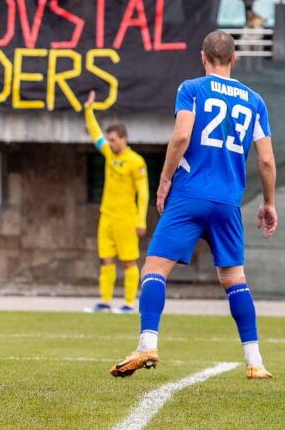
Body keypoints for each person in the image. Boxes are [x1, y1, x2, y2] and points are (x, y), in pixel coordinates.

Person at [111, 31, 276, 380]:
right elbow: (265, 162)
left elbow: (182, 135)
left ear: (203, 57)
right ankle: (255, 360)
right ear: (234, 59)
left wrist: (166, 178)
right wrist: (269, 202)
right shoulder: (255, 100)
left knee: (154, 270)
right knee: (234, 280)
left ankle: (147, 343)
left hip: (189, 195)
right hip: (228, 201)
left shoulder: (192, 88)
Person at [82, 91, 149, 315]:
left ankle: (129, 303)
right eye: (108, 140)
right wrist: (88, 110)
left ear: (123, 138)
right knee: (105, 259)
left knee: (129, 262)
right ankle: (104, 300)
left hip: (126, 218)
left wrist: (140, 219)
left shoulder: (136, 161)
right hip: (107, 216)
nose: (109, 143)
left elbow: (144, 193)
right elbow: (94, 133)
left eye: (113, 140)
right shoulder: (109, 155)